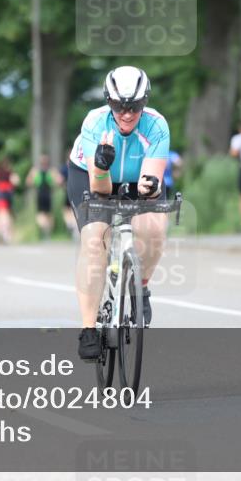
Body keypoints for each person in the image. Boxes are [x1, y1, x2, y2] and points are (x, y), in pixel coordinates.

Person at [67, 66, 169, 360]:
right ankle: (88, 329)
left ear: (144, 102)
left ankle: (141, 288)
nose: (126, 113)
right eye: (119, 106)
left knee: (154, 229)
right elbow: (99, 189)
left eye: (134, 106)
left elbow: (151, 183)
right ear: (109, 103)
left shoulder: (157, 125)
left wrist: (149, 190)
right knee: (93, 239)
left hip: (139, 179)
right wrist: (101, 163)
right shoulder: (95, 123)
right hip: (92, 176)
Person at [26, 154, 63, 240]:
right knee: (49, 214)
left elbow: (28, 182)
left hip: (40, 193)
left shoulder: (35, 171)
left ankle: (44, 229)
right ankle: (48, 231)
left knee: (41, 214)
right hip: (48, 193)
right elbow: (59, 181)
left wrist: (34, 183)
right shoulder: (52, 170)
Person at [0, 159, 19, 244]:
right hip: (7, 194)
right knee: (7, 215)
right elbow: (16, 181)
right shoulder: (10, 173)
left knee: (2, 215)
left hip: (0, 194)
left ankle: (4, 234)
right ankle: (7, 234)